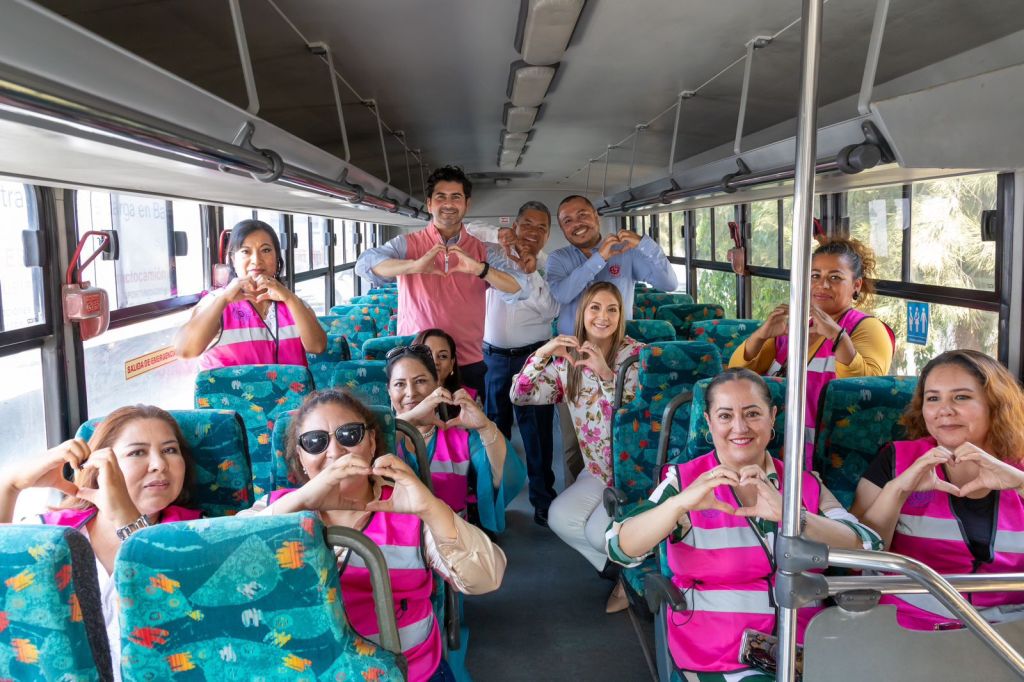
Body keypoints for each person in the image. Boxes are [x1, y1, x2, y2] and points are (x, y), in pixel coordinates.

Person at [608, 369, 881, 677]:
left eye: (752, 413)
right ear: (709, 422)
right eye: (725, 416)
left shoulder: (802, 483)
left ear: (772, 417)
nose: (739, 427)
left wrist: (795, 518)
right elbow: (619, 547)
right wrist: (678, 505)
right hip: (720, 652)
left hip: (806, 650)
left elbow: (867, 543)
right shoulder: (684, 481)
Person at [238, 389, 506, 682]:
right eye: (315, 442)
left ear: (372, 442)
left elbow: (486, 578)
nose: (335, 452)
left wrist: (431, 508)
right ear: (301, 457)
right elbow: (220, 558)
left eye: (349, 435)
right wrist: (300, 502)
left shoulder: (409, 506)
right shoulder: (276, 508)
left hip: (410, 673)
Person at [0, 405, 202, 681]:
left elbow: (181, 611)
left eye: (170, 450)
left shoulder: (198, 538)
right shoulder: (51, 537)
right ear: (97, 468)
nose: (159, 464)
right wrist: (11, 486)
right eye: (137, 452)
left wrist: (126, 518)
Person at [852, 350, 1024, 630]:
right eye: (933, 398)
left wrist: (1019, 483)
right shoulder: (895, 460)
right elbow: (858, 555)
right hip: (910, 625)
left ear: (995, 404)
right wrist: (898, 490)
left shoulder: (1019, 468)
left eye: (961, 397)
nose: (945, 410)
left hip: (1011, 631)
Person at [510, 281, 644, 607]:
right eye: (595, 308)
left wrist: (606, 375)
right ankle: (626, 572)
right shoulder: (567, 361)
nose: (603, 317)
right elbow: (520, 395)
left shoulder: (638, 355)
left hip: (635, 470)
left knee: (599, 535)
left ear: (621, 315)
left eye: (612, 309)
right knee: (560, 517)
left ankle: (631, 573)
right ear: (583, 313)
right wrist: (542, 354)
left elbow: (638, 415)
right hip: (598, 470)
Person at [355, 166, 530, 401]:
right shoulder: (406, 244)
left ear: (467, 204)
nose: (448, 203)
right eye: (441, 197)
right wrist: (414, 266)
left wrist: (480, 269)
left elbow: (521, 288)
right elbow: (365, 264)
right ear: (429, 204)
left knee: (467, 423)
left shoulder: (483, 250)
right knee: (417, 424)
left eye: (456, 197)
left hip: (466, 363)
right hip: (414, 362)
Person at [729, 237, 894, 468]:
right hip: (773, 449)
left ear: (856, 285)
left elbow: (866, 393)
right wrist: (761, 335)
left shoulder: (867, 328)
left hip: (832, 457)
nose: (822, 285)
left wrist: (838, 337)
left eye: (835, 277)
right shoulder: (792, 326)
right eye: (815, 276)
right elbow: (736, 376)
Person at [547, 196, 677, 483]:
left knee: (621, 430)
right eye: (567, 220)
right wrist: (600, 259)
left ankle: (621, 495)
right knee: (574, 442)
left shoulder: (626, 253)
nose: (576, 223)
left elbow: (669, 283)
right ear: (562, 228)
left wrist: (645, 244)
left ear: (596, 216)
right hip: (574, 356)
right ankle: (576, 497)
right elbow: (563, 294)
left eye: (583, 214)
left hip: (619, 355)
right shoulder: (559, 259)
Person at [386, 344, 524, 534]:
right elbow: (365, 466)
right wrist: (410, 419)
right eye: (399, 384)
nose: (411, 392)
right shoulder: (373, 435)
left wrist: (485, 427)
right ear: (389, 391)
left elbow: (506, 477)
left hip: (452, 540)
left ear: (437, 385)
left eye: (420, 381)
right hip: (392, 545)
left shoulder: (461, 437)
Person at [483, 201, 560, 527]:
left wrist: (530, 275)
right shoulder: (493, 253)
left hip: (535, 358)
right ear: (514, 226)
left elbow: (551, 310)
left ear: (548, 235)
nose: (533, 232)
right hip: (494, 357)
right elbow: (466, 230)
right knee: (493, 432)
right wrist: (497, 236)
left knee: (537, 435)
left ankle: (543, 500)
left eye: (542, 227)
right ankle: (493, 501)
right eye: (527, 224)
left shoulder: (550, 267)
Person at [175, 219, 327, 368]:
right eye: (245, 251)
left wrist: (290, 299)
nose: (256, 260)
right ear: (233, 259)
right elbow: (185, 351)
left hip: (293, 386)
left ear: (277, 258)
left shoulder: (293, 302)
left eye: (266, 250)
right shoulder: (215, 301)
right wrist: (224, 299)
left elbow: (317, 346)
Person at [413, 328, 476, 400]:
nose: (435, 362)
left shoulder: (467, 398)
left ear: (451, 364)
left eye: (443, 356)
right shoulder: (406, 397)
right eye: (427, 355)